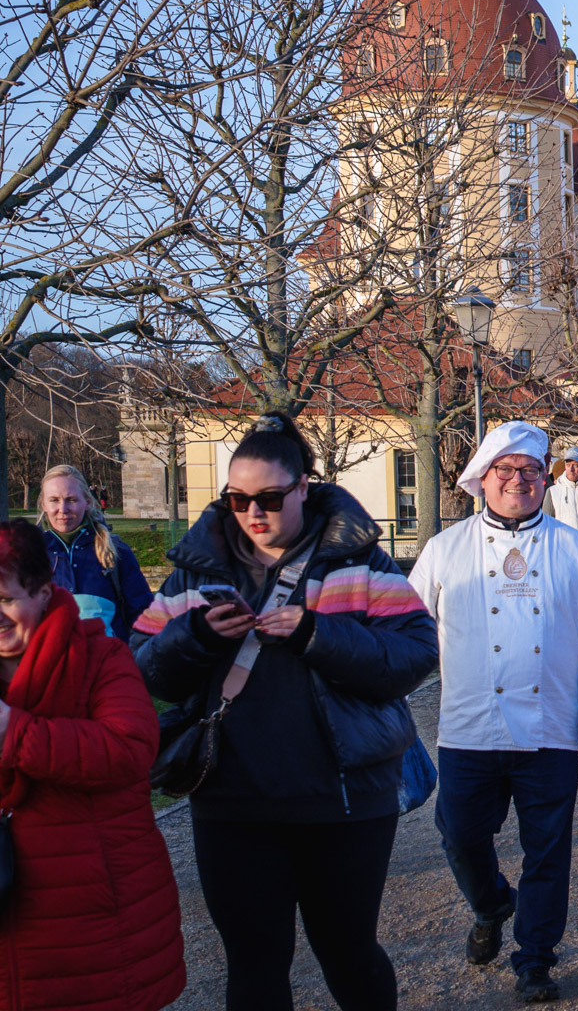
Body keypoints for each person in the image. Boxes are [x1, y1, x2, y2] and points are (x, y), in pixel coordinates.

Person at [134, 412, 436, 1010]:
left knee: (348, 954)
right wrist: (192, 635)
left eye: (270, 497)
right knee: (253, 963)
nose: (253, 513)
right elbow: (139, 670)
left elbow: (415, 655)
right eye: (238, 499)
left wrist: (317, 635)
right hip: (232, 802)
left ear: (303, 487)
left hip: (345, 802)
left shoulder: (360, 563)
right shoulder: (196, 571)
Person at [412, 420, 578, 1002]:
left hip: (548, 725)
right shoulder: (444, 549)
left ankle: (536, 959)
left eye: (531, 471)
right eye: (506, 471)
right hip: (467, 726)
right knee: (457, 834)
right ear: (482, 478)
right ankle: (491, 903)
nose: (519, 481)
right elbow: (405, 629)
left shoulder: (575, 549)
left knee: (547, 850)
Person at [0, 519, 185, 1011]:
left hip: (91, 919)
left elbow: (129, 749)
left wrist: (12, 731)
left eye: (5, 599)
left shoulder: (100, 657)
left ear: (44, 592)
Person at [38, 462, 151, 640]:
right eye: (54, 500)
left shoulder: (116, 551)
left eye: (71, 500)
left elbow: (142, 616)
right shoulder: (30, 554)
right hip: (49, 664)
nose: (63, 509)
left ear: (87, 502)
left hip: (107, 663)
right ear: (44, 504)